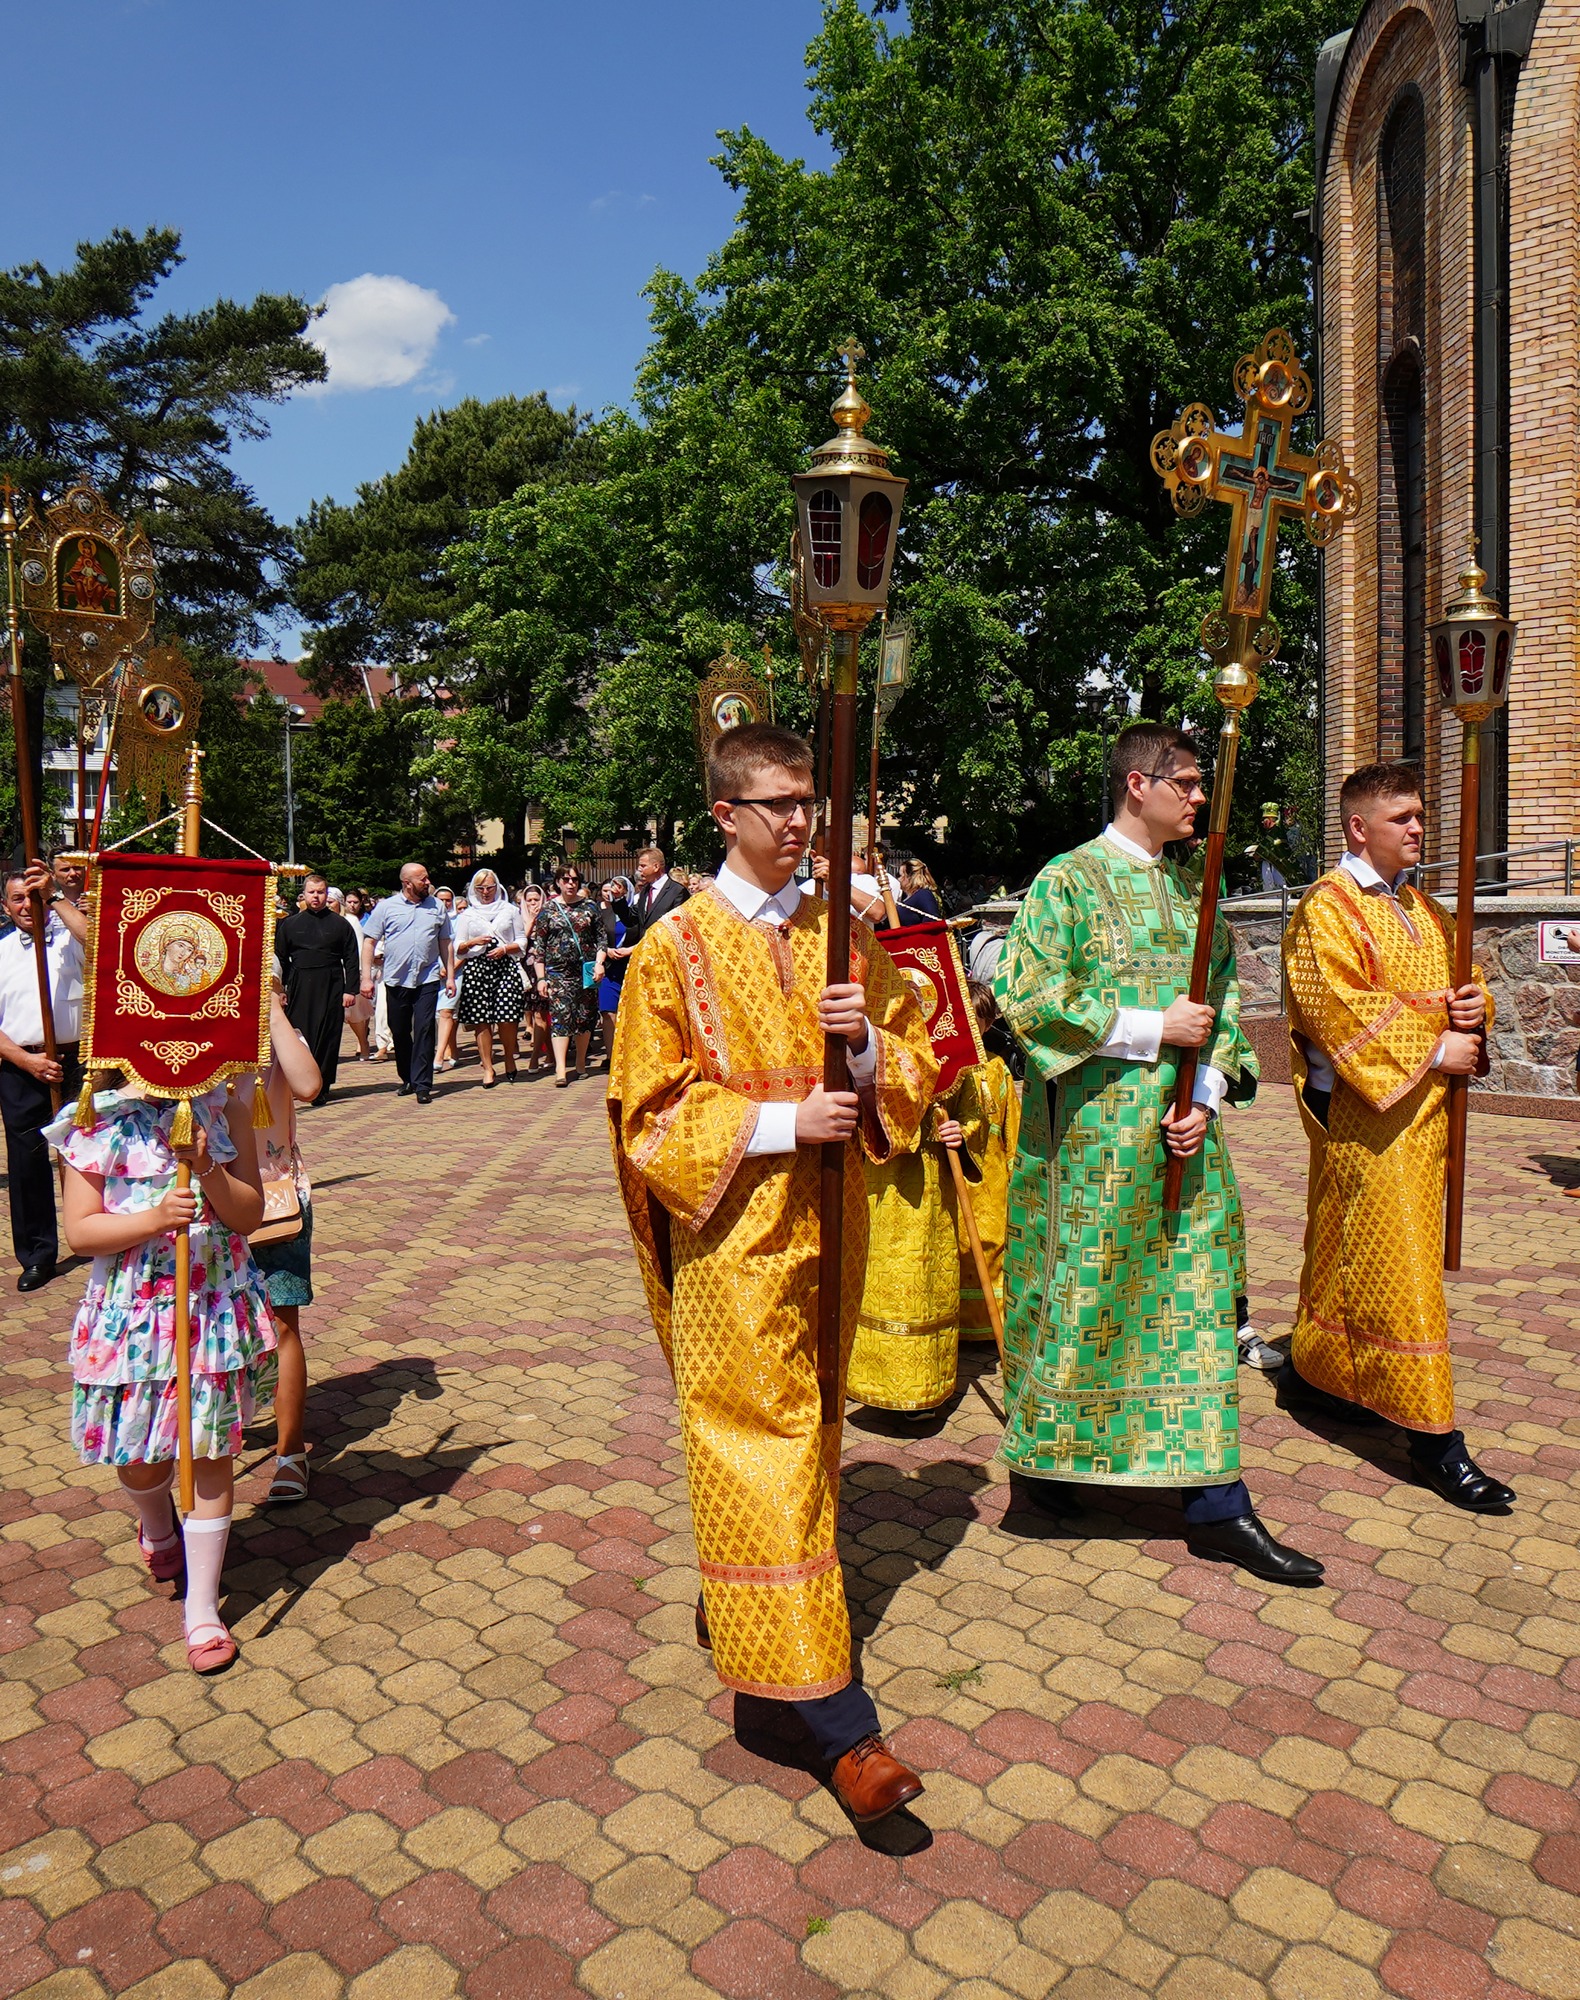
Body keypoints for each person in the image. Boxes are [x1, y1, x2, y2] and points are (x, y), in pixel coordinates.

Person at [609, 722, 939, 1826]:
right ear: (723, 816)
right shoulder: (671, 947)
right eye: (775, 804)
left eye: (807, 801)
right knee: (764, 1433)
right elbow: (645, 1111)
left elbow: (917, 1056)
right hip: (729, 1238)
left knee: (809, 1431)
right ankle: (834, 1723)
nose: (798, 821)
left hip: (830, 1227)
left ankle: (744, 1595)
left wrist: (866, 1050)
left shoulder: (841, 931)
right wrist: (777, 1119)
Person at [993, 723, 1323, 1586]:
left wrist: (1206, 1095)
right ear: (1138, 785)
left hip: (1184, 1147)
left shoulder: (1194, 895)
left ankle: (1216, 1504)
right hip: (1089, 1152)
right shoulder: (1065, 882)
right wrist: (1149, 1030)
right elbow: (1026, 998)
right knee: (1087, 1303)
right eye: (1186, 781)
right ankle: (1053, 1469)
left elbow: (1226, 1007)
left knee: (1192, 1313)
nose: (1200, 798)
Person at [1280, 762, 1511, 1511]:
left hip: (1426, 1119)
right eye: (1404, 817)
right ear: (1358, 827)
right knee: (1401, 1270)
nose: (1419, 828)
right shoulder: (1327, 907)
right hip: (1368, 1118)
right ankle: (1435, 1439)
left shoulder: (1428, 906)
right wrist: (1437, 1045)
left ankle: (1320, 1376)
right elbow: (1334, 1006)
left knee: (1353, 1256)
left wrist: (1478, 1005)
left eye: (1420, 815)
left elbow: (1463, 980)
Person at [47, 1076, 275, 1674]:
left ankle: (202, 1609)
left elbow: (249, 1213)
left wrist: (208, 1171)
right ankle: (157, 1527)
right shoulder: (96, 1118)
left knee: (208, 1447)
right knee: (139, 1456)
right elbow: (80, 1230)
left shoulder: (225, 1109)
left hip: (213, 1305)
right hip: (134, 1312)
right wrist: (153, 1219)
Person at [849, 1074, 983, 1416]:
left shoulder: (953, 1055)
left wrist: (959, 1133)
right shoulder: (876, 1046)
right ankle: (868, 1382)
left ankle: (923, 1390)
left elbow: (973, 1114)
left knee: (923, 1287)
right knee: (875, 1281)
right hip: (880, 1182)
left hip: (932, 1188)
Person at [249, 974, 323, 1505]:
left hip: (275, 1196)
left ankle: (290, 1450)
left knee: (281, 1320)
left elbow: (309, 1084)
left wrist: (271, 1009)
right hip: (201, 1200)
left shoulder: (278, 1033)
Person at [0, 861, 88, 1290]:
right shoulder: (0, 952)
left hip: (76, 1063)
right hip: (21, 1066)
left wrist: (53, 895)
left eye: (32, 897)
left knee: (87, 1150)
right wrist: (25, 1060)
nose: (26, 906)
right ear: (6, 905)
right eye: (18, 898)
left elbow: (98, 939)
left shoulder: (69, 939)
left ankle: (93, 1230)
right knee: (28, 1162)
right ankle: (37, 1254)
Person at [955, 981, 1021, 1346]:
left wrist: (1014, 1163)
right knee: (961, 1243)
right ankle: (962, 1323)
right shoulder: (949, 1066)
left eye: (979, 1018)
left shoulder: (998, 1068)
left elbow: (1011, 1118)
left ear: (989, 1022)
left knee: (994, 1240)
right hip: (961, 1166)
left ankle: (989, 1323)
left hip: (993, 1165)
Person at [359, 865, 455, 1106]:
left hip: (428, 978)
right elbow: (369, 942)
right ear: (407, 883)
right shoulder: (386, 908)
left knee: (424, 1029)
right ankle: (408, 1078)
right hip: (396, 979)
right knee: (399, 1030)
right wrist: (366, 978)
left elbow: (446, 942)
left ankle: (423, 1084)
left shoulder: (436, 907)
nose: (428, 882)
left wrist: (451, 976)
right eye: (422, 879)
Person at [276, 874, 359, 1106]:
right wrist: (280, 988)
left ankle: (322, 1085)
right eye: (312, 892)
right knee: (300, 1033)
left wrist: (350, 990)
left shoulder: (340, 925)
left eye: (321, 892)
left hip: (331, 982)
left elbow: (351, 959)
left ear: (327, 893)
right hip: (300, 982)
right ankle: (297, 1082)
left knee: (328, 1035)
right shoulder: (290, 924)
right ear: (304, 894)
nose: (316, 897)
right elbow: (281, 958)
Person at [454, 869, 525, 1087]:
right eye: (481, 888)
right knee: (481, 1019)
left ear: (498, 887)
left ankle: (509, 1059)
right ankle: (487, 1067)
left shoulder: (510, 910)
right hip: (477, 968)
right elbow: (458, 946)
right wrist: (473, 942)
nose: (486, 892)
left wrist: (505, 949)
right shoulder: (467, 914)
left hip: (504, 966)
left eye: (490, 887)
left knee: (507, 1016)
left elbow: (522, 941)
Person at [532, 865, 602, 1086]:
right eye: (566, 879)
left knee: (584, 1016)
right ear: (558, 883)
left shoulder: (589, 907)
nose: (571, 883)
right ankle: (561, 1068)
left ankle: (580, 1062)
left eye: (574, 879)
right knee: (561, 1016)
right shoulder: (548, 910)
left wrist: (600, 963)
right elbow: (539, 947)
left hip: (586, 971)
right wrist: (541, 978)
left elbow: (601, 939)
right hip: (558, 972)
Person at [611, 846, 688, 951]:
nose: (639, 869)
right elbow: (630, 919)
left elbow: (678, 929)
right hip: (645, 955)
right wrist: (619, 898)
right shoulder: (646, 891)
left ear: (656, 867)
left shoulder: (677, 891)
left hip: (666, 954)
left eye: (643, 866)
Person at [597, 877, 633, 1063]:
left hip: (630, 966)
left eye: (619, 888)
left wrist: (630, 950)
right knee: (608, 1012)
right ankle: (611, 1057)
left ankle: (626, 1055)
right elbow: (598, 937)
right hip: (610, 967)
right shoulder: (604, 913)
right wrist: (607, 950)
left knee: (628, 1014)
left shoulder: (635, 913)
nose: (614, 891)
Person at [517, 884, 550, 1076]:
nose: (532, 903)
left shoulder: (548, 916)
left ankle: (535, 1056)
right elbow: (522, 939)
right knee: (536, 1013)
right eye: (529, 900)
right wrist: (530, 920)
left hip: (545, 969)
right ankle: (550, 1054)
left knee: (542, 1014)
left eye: (536, 900)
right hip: (526, 970)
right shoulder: (519, 918)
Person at [339, 891, 374, 1063]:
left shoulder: (351, 921)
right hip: (330, 972)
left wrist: (360, 973)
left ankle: (363, 1042)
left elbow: (359, 948)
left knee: (355, 1013)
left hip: (350, 971)